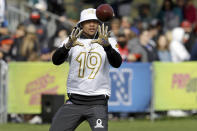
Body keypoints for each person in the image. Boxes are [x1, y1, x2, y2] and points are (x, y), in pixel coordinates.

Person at [50, 8, 122, 131]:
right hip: (74, 101)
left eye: (95, 21)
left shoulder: (109, 41)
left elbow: (117, 63)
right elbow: (56, 61)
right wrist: (67, 47)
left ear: (100, 23)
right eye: (88, 21)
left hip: (98, 102)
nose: (92, 24)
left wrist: (107, 47)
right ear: (81, 24)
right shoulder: (71, 40)